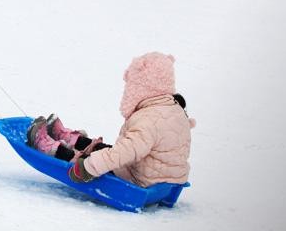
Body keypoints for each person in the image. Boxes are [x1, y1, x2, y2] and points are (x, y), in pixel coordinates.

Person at [27, 52, 194, 188]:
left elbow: (124, 153)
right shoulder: (174, 109)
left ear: (140, 87)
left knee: (99, 160)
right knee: (112, 150)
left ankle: (53, 150)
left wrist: (87, 168)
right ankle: (74, 140)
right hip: (167, 176)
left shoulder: (148, 119)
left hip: (140, 179)